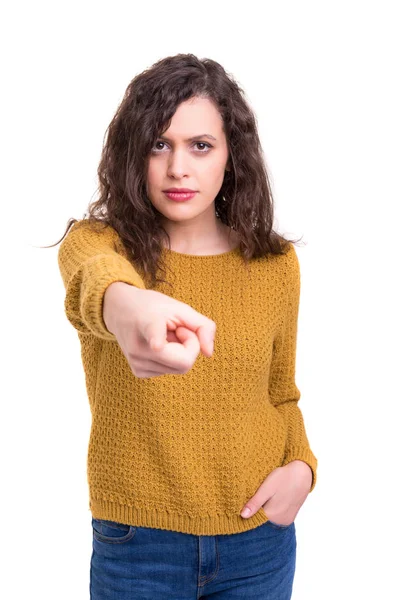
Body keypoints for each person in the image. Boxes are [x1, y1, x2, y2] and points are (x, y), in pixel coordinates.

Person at [54, 53, 318, 599]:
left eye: (200, 145)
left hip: (258, 541)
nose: (179, 167)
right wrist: (130, 308)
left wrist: (304, 468)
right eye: (159, 144)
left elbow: (281, 393)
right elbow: (97, 281)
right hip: (138, 546)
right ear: (135, 155)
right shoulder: (101, 246)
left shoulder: (275, 266)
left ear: (230, 156)